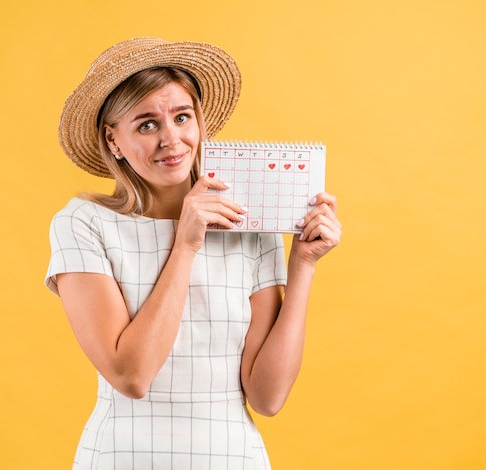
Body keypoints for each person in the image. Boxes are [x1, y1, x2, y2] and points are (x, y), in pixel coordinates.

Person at [45, 37, 341, 470]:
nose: (171, 139)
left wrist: (303, 265)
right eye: (146, 125)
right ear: (114, 140)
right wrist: (185, 244)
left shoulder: (247, 221)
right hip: (121, 457)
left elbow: (267, 397)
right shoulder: (83, 224)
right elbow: (132, 375)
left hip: (232, 458)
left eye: (182, 117)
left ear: (199, 123)